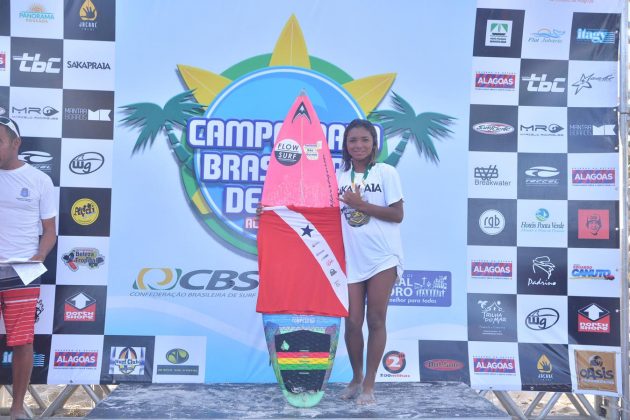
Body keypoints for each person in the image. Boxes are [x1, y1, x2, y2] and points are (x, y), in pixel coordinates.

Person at [336, 119, 404, 405]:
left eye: (365, 140)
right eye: (353, 140)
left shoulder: (387, 172)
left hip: (382, 256)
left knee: (376, 319)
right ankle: (355, 376)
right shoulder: (338, 176)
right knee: (352, 322)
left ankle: (369, 385)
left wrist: (360, 204)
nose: (359, 145)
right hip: (350, 256)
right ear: (346, 145)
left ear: (374, 144)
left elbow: (397, 215)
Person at [0, 117, 57, 420]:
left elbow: (50, 230)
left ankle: (18, 407)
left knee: (22, 340)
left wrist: (40, 255)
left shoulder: (38, 180)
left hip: (22, 272)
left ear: (16, 143)